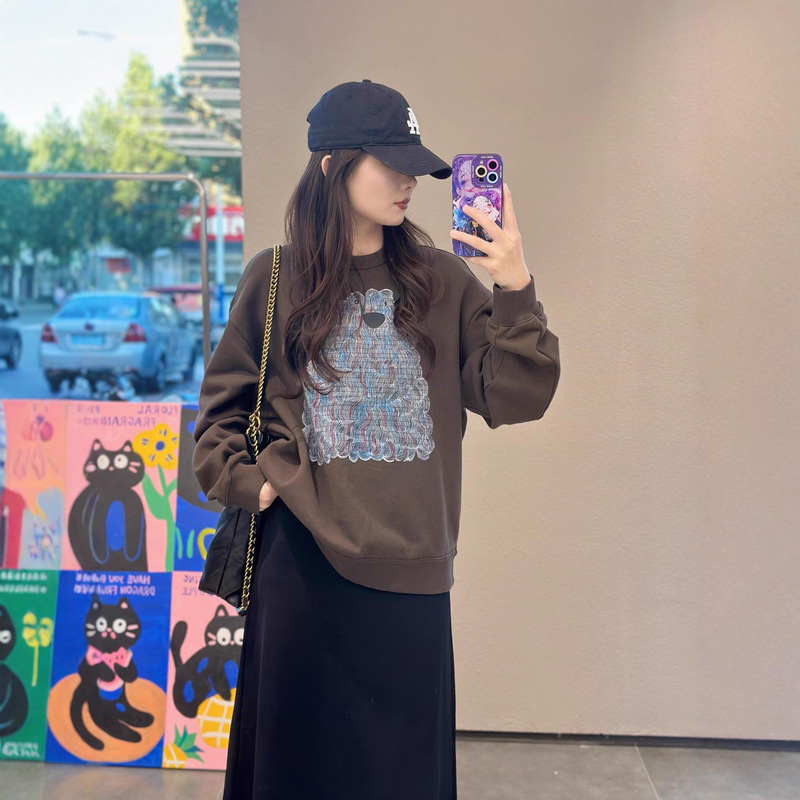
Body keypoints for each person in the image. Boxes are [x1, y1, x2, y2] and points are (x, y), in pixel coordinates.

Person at [193, 79, 560, 800]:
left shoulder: (443, 281)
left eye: (412, 166)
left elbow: (519, 394)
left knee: (400, 778)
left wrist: (514, 284)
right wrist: (254, 484)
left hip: (410, 572)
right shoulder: (275, 277)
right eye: (389, 163)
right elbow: (218, 419)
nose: (407, 182)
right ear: (332, 165)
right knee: (296, 778)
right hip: (301, 569)